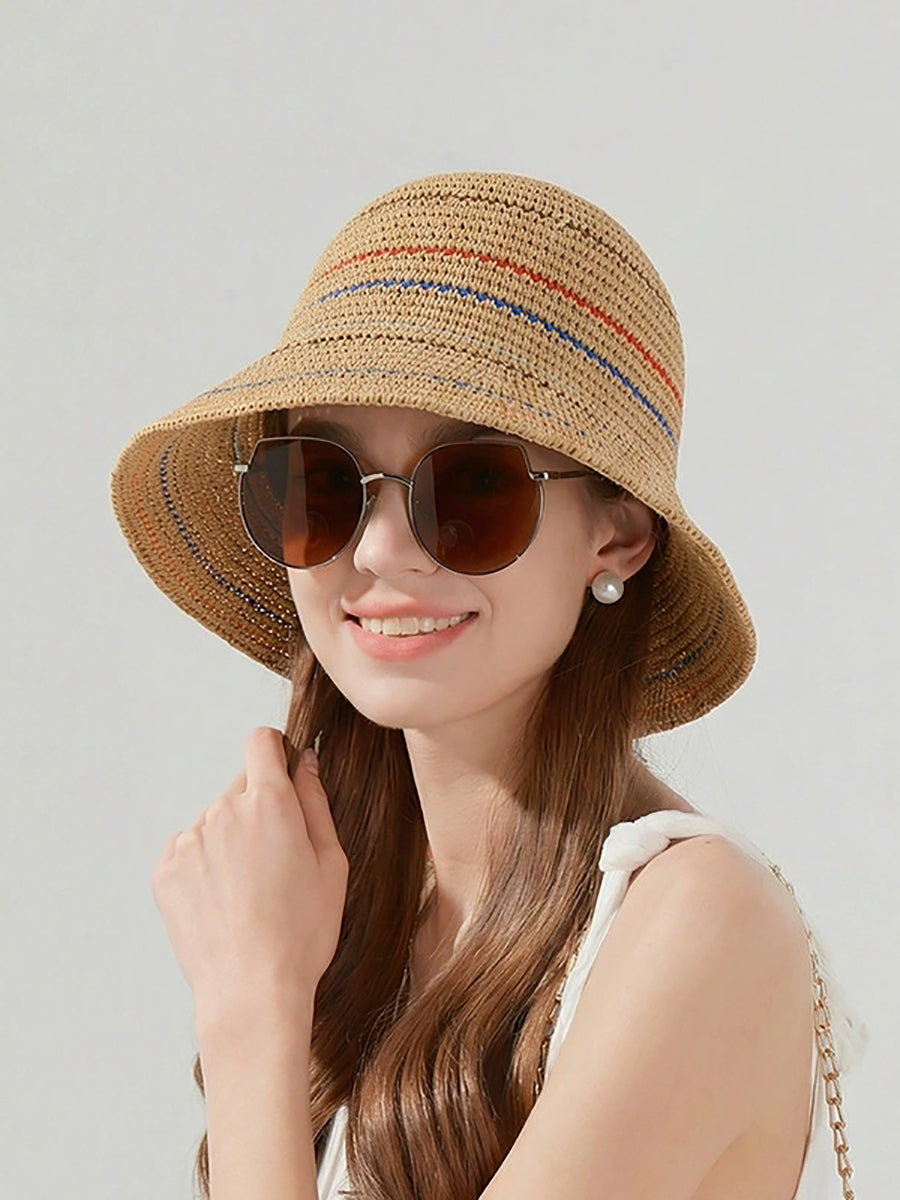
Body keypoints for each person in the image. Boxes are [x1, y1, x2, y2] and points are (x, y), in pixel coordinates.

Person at [110, 171, 867, 1200]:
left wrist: (249, 1012)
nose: (381, 551)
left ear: (618, 535)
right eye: (323, 483)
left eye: (473, 487)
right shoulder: (358, 912)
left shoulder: (698, 920)